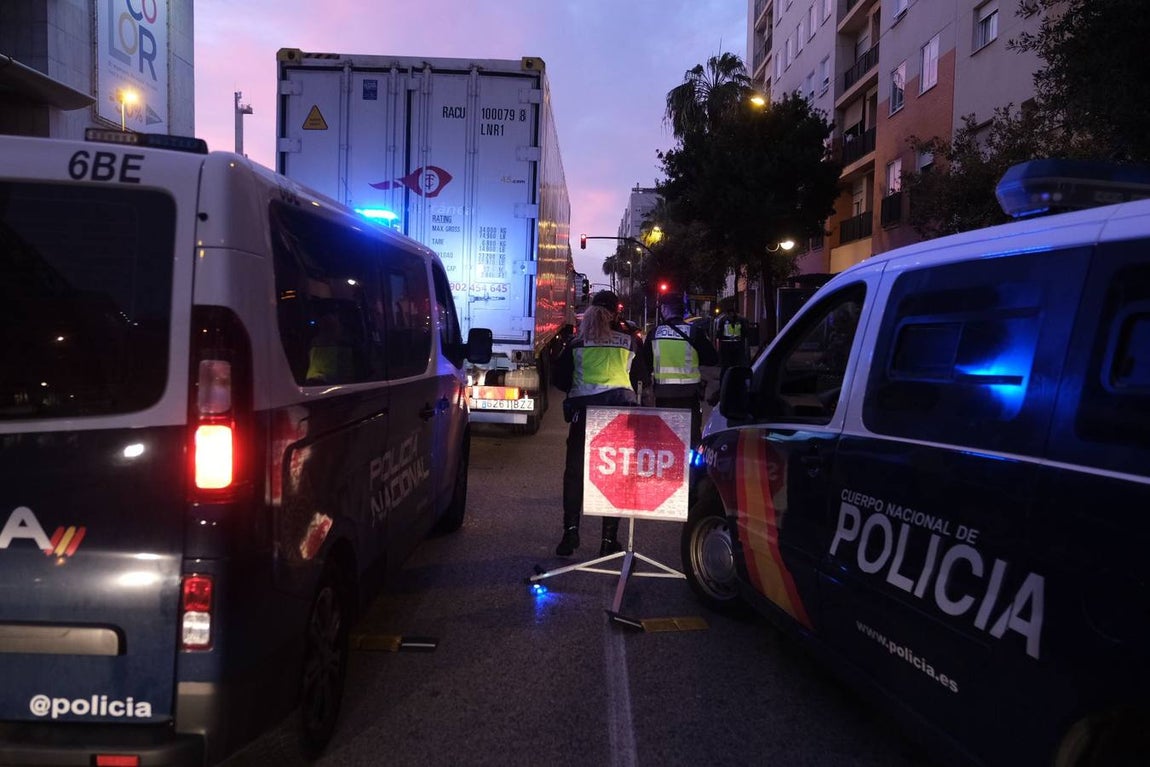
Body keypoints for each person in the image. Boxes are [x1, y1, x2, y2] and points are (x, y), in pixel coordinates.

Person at [551, 290, 648, 557]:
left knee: (575, 474)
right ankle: (608, 541)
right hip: (619, 418)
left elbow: (560, 380)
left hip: (585, 416)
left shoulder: (576, 343)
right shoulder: (629, 341)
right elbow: (643, 377)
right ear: (616, 313)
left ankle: (570, 534)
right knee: (614, 477)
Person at [643, 291, 718, 445]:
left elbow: (644, 363)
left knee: (665, 437)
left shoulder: (655, 333)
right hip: (690, 396)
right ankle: (692, 466)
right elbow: (712, 359)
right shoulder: (694, 332)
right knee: (691, 437)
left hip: (664, 396)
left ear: (664, 309)